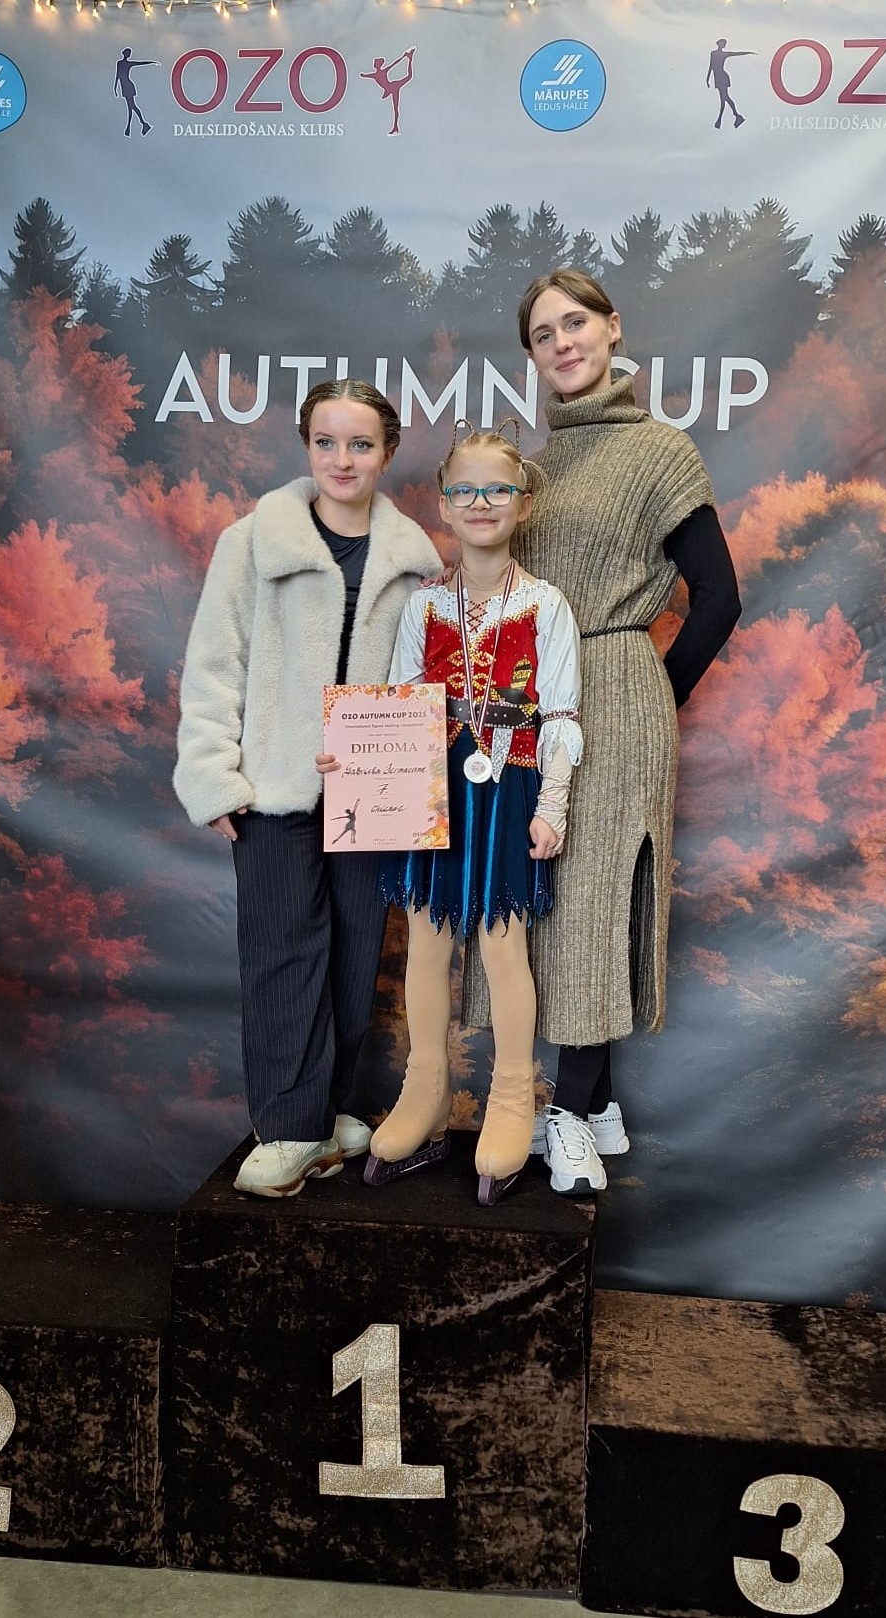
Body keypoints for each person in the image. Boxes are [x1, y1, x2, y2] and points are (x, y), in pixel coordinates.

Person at [459, 268, 742, 1196]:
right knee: (550, 893)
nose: (563, 343)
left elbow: (718, 598)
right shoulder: (534, 467)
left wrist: (650, 692)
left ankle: (569, 1115)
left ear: (613, 328)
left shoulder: (660, 451)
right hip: (531, 694)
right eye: (543, 334)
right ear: (532, 356)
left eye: (575, 322)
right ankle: (604, 1103)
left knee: (591, 896)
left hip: (614, 690)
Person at [173, 379, 442, 1198]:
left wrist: (400, 763)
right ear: (307, 446)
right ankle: (288, 1129)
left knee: (356, 955)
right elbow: (215, 665)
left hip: (373, 794)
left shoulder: (418, 564)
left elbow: (424, 685)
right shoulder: (252, 542)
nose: (341, 459)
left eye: (360, 444)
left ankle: (324, 1116)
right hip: (273, 788)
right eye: (326, 442)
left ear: (387, 453)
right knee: (283, 953)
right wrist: (215, 774)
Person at [330, 420, 583, 1205]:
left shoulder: (545, 606)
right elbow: (401, 706)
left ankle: (510, 1097)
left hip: (507, 791)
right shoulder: (425, 605)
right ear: (443, 503)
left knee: (505, 948)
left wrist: (552, 805)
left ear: (523, 503)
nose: (481, 502)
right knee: (427, 945)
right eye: (465, 490)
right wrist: (357, 766)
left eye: (497, 489)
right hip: (432, 790)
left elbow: (561, 716)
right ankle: (425, 1090)